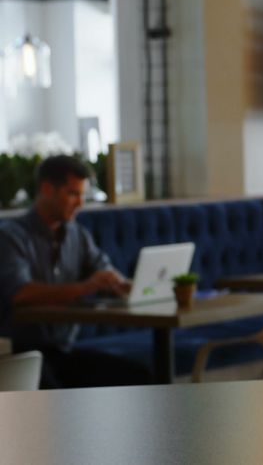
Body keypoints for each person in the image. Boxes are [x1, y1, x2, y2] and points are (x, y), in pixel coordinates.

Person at [0, 155, 150, 388]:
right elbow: (21, 294)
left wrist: (125, 284)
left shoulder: (77, 235)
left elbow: (104, 270)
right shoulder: (11, 237)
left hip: (64, 351)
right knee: (59, 401)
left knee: (140, 378)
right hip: (23, 354)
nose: (80, 203)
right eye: (73, 194)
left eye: (82, 195)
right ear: (47, 189)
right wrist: (86, 287)